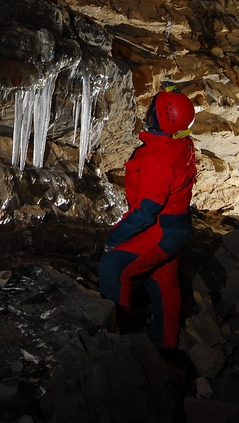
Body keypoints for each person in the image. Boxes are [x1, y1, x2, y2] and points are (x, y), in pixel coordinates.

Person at [98, 84, 197, 349]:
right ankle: (165, 345)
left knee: (113, 267)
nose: (149, 109)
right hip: (178, 225)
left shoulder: (158, 159)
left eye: (154, 108)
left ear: (162, 118)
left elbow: (145, 212)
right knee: (164, 280)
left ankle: (119, 339)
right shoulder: (181, 141)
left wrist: (115, 237)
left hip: (161, 230)